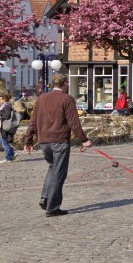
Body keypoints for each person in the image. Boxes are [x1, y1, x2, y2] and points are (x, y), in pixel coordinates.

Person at [24, 72, 92, 216]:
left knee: (52, 167)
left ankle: (45, 197)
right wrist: (84, 139)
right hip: (59, 140)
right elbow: (74, 122)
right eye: (67, 82)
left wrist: (28, 141)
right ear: (64, 83)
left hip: (43, 141)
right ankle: (52, 207)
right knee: (59, 173)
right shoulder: (67, 99)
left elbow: (33, 121)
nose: (68, 85)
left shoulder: (41, 98)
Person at [0, 95, 18, 163]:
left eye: (0, 99)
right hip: (3, 127)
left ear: (4, 99)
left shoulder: (7, 106)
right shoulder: (4, 106)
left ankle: (8, 158)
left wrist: (0, 114)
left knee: (4, 143)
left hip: (5, 127)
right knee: (1, 141)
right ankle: (13, 153)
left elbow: (7, 115)